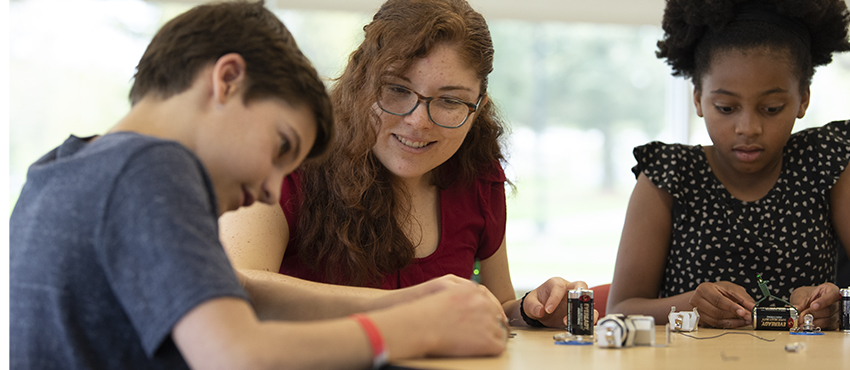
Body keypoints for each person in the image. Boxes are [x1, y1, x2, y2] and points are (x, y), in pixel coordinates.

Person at [10, 2, 509, 369]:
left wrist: (410, 303)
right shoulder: (149, 168)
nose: (272, 190)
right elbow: (235, 355)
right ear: (227, 81)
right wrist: (414, 328)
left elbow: (239, 290)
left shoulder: (62, 168)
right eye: (280, 146)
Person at [220, 0, 592, 329]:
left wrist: (531, 310)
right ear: (361, 81)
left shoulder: (479, 176)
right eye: (397, 90)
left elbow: (495, 305)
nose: (419, 121)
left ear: (478, 106)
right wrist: (411, 305)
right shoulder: (291, 160)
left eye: (450, 101)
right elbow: (236, 287)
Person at [607, 0, 850, 330]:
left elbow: (841, 303)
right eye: (725, 107)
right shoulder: (669, 175)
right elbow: (620, 310)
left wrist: (838, 306)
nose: (748, 128)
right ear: (698, 99)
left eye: (772, 108)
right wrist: (691, 304)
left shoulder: (827, 162)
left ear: (803, 98)